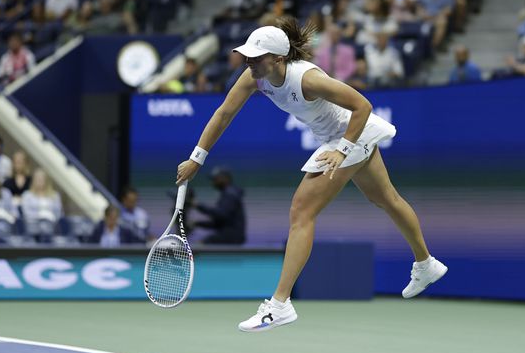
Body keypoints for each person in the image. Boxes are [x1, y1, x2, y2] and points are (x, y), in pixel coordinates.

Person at [175, 19, 447, 333]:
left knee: (301, 212)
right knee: (385, 198)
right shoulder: (254, 77)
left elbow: (363, 105)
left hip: (349, 135)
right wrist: (197, 157)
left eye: (256, 57)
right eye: (247, 57)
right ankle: (425, 263)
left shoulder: (307, 79)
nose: (248, 62)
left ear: (277, 59)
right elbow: (223, 113)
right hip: (339, 138)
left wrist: (342, 150)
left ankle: (279, 304)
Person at [192, 166, 246, 244]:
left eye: (215, 179)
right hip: (230, 235)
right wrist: (197, 223)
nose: (213, 182)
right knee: (197, 246)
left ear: (225, 178)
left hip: (231, 237)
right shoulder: (229, 193)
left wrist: (198, 205)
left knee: (198, 246)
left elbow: (220, 214)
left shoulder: (230, 194)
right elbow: (219, 223)